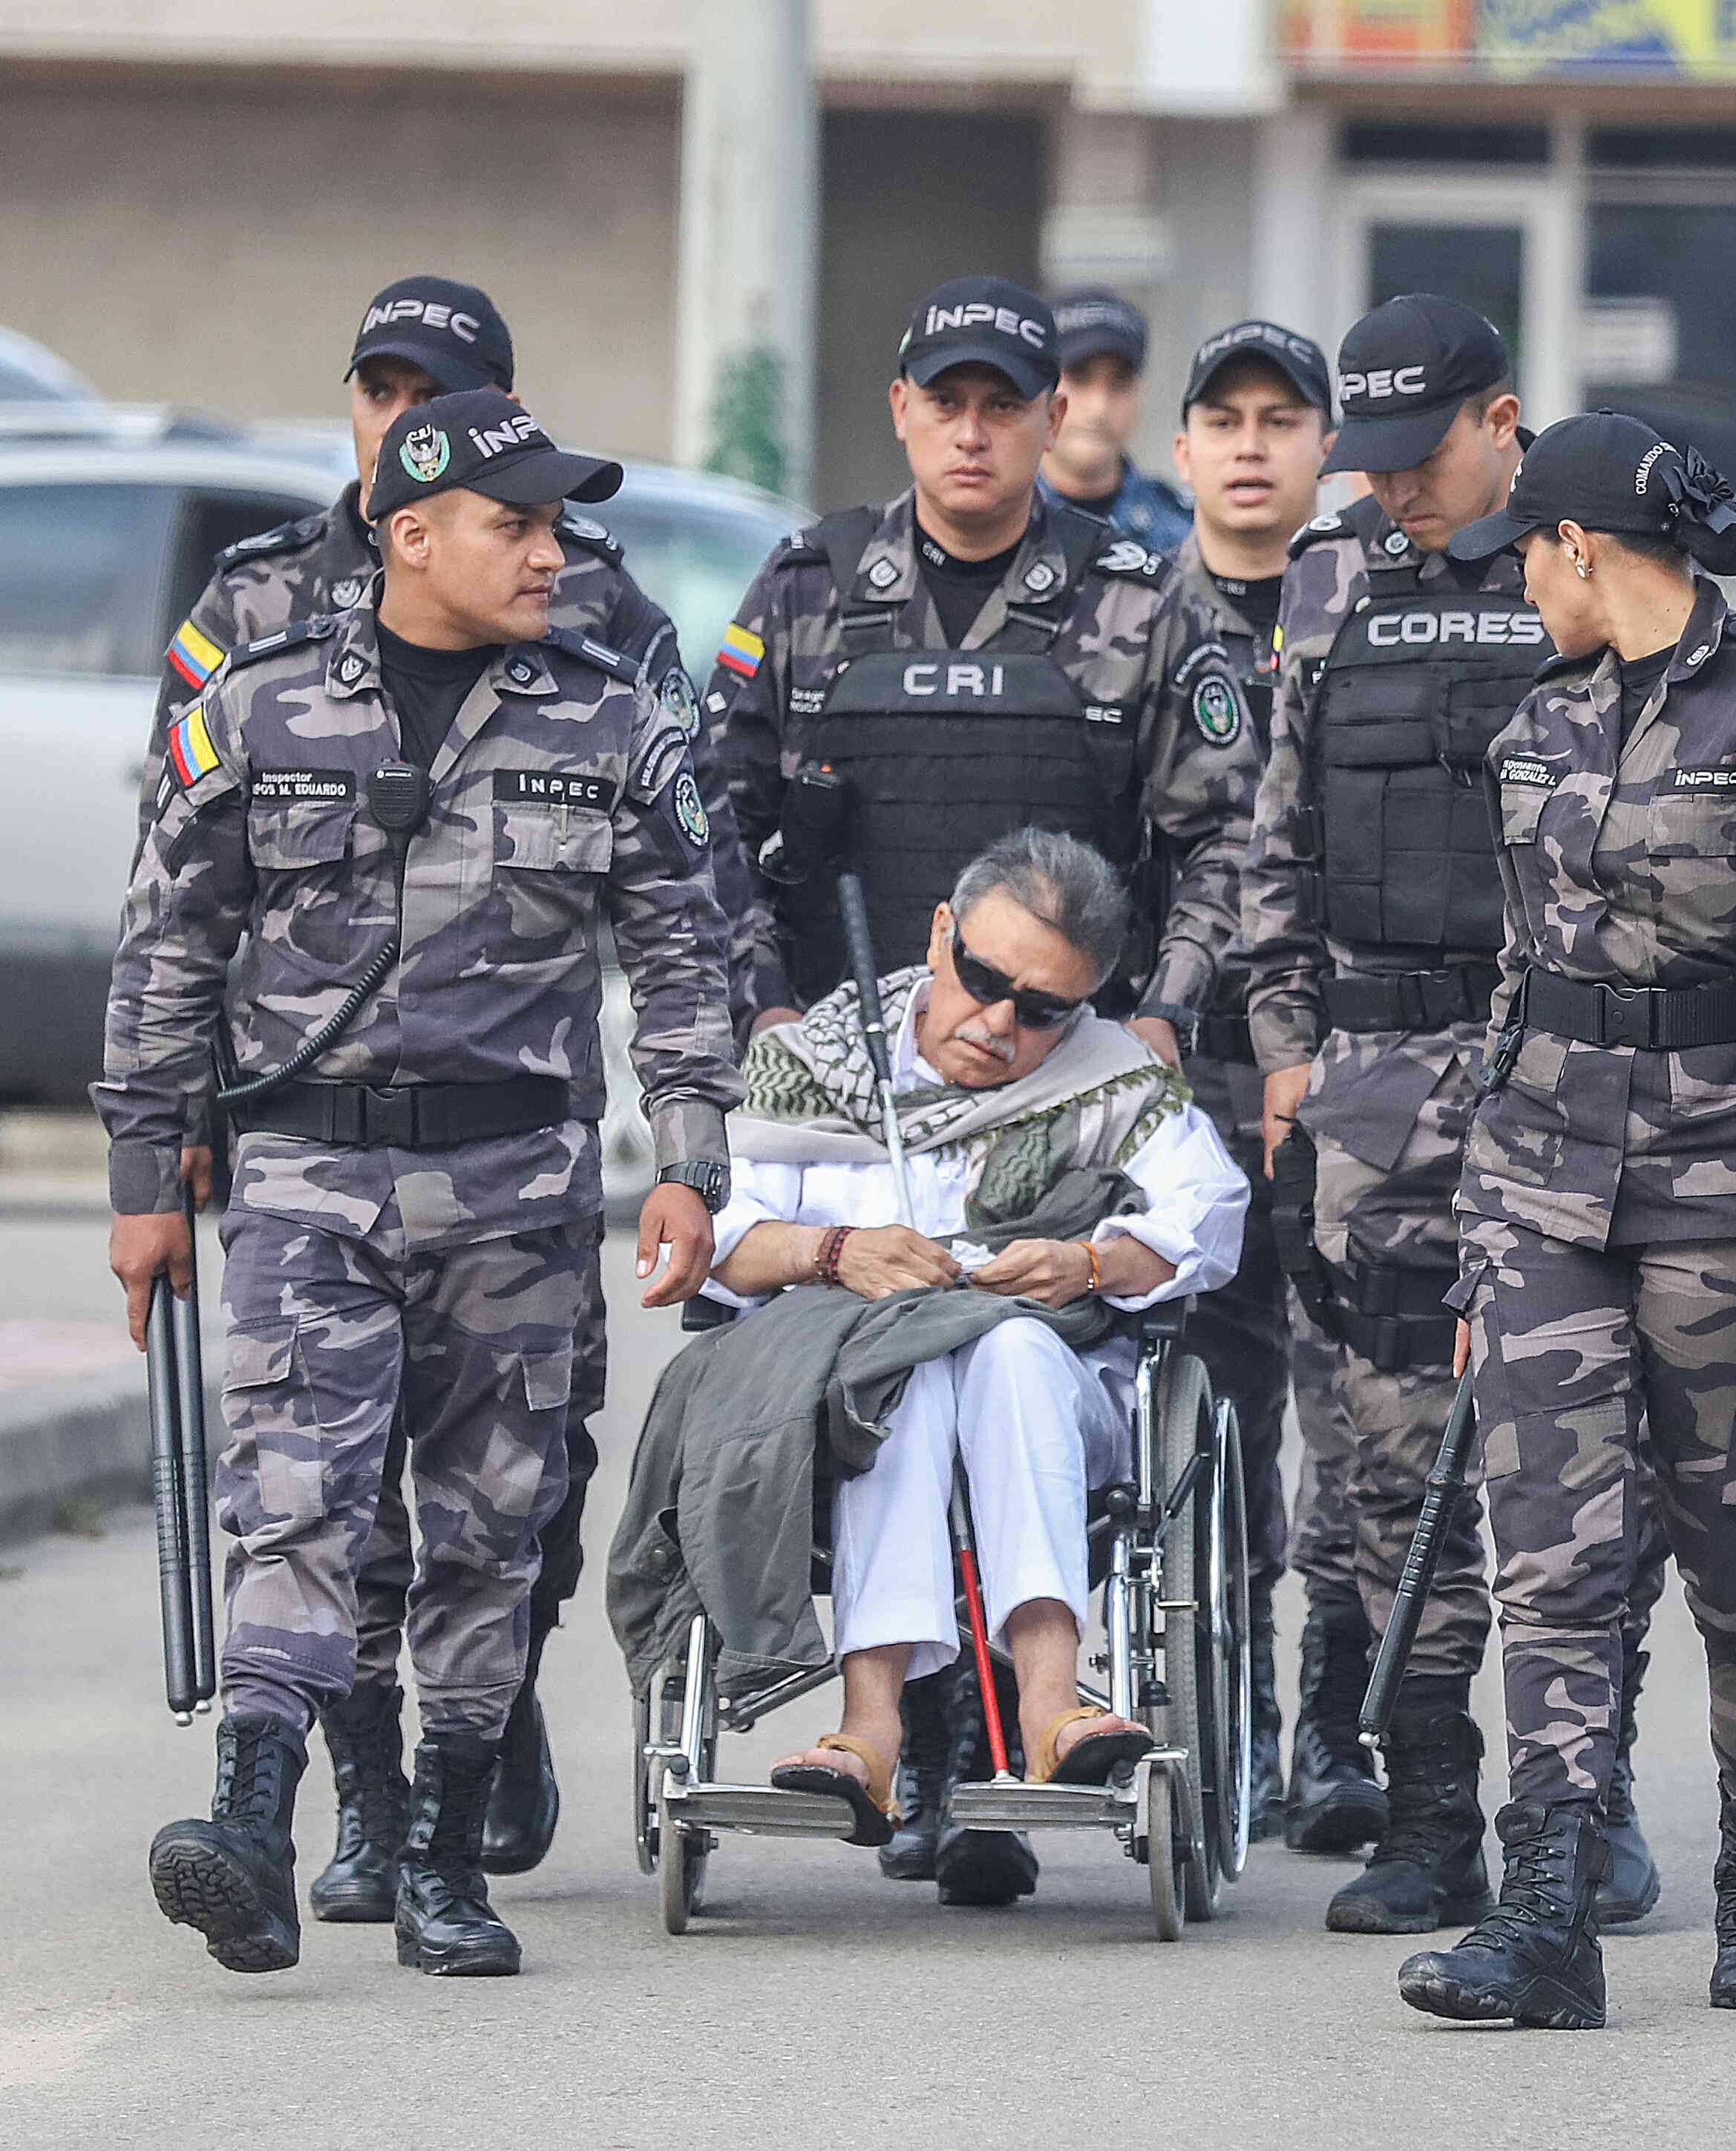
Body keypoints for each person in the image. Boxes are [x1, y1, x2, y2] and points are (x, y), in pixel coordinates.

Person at [104, 390, 744, 1980]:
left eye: (552, 526)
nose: (549, 555)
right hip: (308, 1176)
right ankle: (253, 1827)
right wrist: (144, 1174)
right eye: (513, 526)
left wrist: (690, 1163)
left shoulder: (608, 720)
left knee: (486, 1533)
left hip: (516, 1189)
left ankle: (447, 1862)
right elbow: (167, 947)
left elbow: (684, 958)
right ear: (409, 535)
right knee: (295, 1507)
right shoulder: (256, 709)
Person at [704, 273, 1257, 1905]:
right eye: (942, 401)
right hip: (851, 1059)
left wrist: (1158, 1015)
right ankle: (933, 1745)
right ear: (900, 410)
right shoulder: (807, 589)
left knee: (1003, 1351)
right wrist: (765, 1004)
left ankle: (978, 1745)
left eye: (1001, 404)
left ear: (1048, 419)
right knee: (907, 1357)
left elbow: (1226, 839)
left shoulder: (1138, 603)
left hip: (1067, 1071)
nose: (970, 431)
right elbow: (708, 825)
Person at [1388, 414, 1736, 2032]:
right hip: (1544, 1186)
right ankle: (1543, 1914)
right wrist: (1478, 1231)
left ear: (1579, 547)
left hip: (1731, 1194)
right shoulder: (1538, 725)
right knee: (1551, 1557)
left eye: (1525, 559)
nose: (1515, 588)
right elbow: (1515, 982)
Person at [1246, 293, 1662, 1936]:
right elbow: (1277, 841)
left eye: (1423, 455)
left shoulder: (1597, 551)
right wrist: (1288, 1049)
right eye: (1374, 458)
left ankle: (1588, 1799)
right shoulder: (1329, 577)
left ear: (1504, 422)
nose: (1397, 487)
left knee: (1583, 1461)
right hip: (1376, 1076)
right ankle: (1427, 1810)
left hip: (1564, 1075)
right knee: (1387, 1456)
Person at [687, 830, 1248, 1837]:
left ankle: (1048, 1702)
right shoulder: (812, 1061)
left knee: (1006, 1346)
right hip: (840, 1404)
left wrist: (1089, 1264)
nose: (996, 1025)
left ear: (1084, 1003)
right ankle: (871, 1727)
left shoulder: (1113, 1078)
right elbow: (720, 1235)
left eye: (1041, 1010)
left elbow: (1210, 1212)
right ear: (940, 932)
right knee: (899, 1367)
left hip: (1049, 1409)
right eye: (982, 981)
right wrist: (832, 1252)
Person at [1159, 317, 1352, 1844]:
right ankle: (1239, 1715)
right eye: (1223, 419)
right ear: (1180, 451)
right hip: (1188, 1079)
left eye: (1279, 420)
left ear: (1325, 449)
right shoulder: (1127, 616)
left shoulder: (1377, 602)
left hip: (1353, 1075)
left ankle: (1340, 1730)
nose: (1249, 445)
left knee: (1357, 1418)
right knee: (1215, 1421)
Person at [1038, 289, 1195, 553]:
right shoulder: (993, 518)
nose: (1099, 408)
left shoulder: (1183, 532)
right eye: (1080, 378)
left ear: (1140, 390)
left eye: (1119, 382)